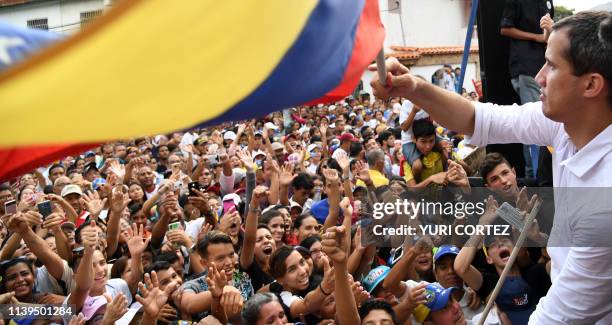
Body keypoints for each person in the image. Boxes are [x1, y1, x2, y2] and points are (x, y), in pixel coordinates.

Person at [369, 12, 612, 322]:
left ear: (591, 85)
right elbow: (480, 118)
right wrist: (414, 88)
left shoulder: (604, 208)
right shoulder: (565, 124)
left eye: (551, 66)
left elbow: (557, 318)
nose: (538, 77)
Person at [500, 0, 554, 178]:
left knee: (545, 122)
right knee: (534, 123)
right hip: (525, 68)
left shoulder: (548, 2)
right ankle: (535, 177)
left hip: (543, 68)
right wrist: (535, 37)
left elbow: (547, 38)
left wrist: (548, 33)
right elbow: (505, 28)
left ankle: (540, 176)